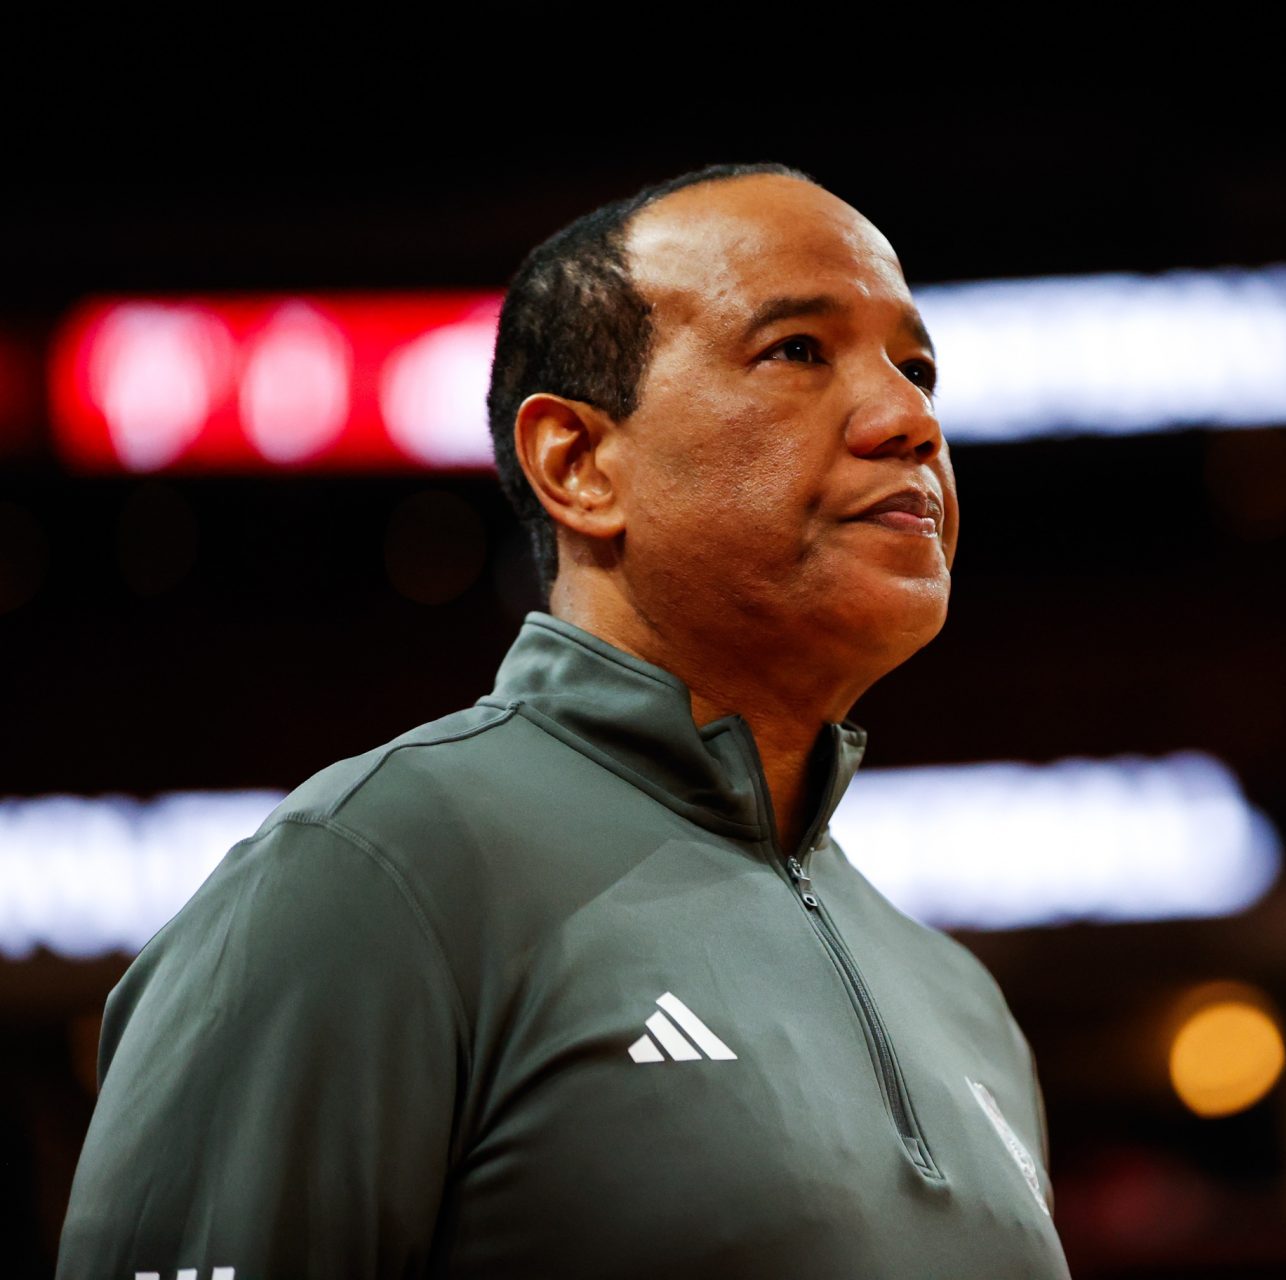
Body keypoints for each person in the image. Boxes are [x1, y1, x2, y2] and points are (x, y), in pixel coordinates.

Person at [58, 162, 1071, 1279]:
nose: (909, 416)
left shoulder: (962, 1001)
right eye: (797, 350)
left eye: (916, 367)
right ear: (579, 463)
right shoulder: (372, 874)